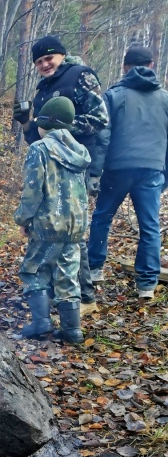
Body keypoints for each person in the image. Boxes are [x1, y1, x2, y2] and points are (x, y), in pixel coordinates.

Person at [13, 35, 110, 317]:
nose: (44, 64)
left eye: (49, 58)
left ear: (61, 56)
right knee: (54, 229)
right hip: (51, 166)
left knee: (72, 234)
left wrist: (62, 131)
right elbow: (37, 136)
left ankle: (85, 298)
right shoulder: (45, 87)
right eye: (39, 61)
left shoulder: (80, 76)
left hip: (75, 166)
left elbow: (100, 118)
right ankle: (63, 296)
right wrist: (26, 122)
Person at [87, 45, 168, 299]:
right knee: (150, 226)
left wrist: (94, 172)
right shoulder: (165, 99)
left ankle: (94, 269)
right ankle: (146, 284)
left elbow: (102, 137)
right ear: (152, 65)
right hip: (151, 170)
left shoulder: (113, 96)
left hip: (117, 169)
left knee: (102, 217)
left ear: (125, 67)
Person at [14, 96, 90, 344]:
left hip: (48, 224)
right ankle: (72, 330)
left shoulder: (40, 148)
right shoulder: (79, 151)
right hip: (74, 226)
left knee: (33, 270)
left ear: (44, 124)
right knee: (68, 275)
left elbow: (33, 190)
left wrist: (24, 219)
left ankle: (41, 323)